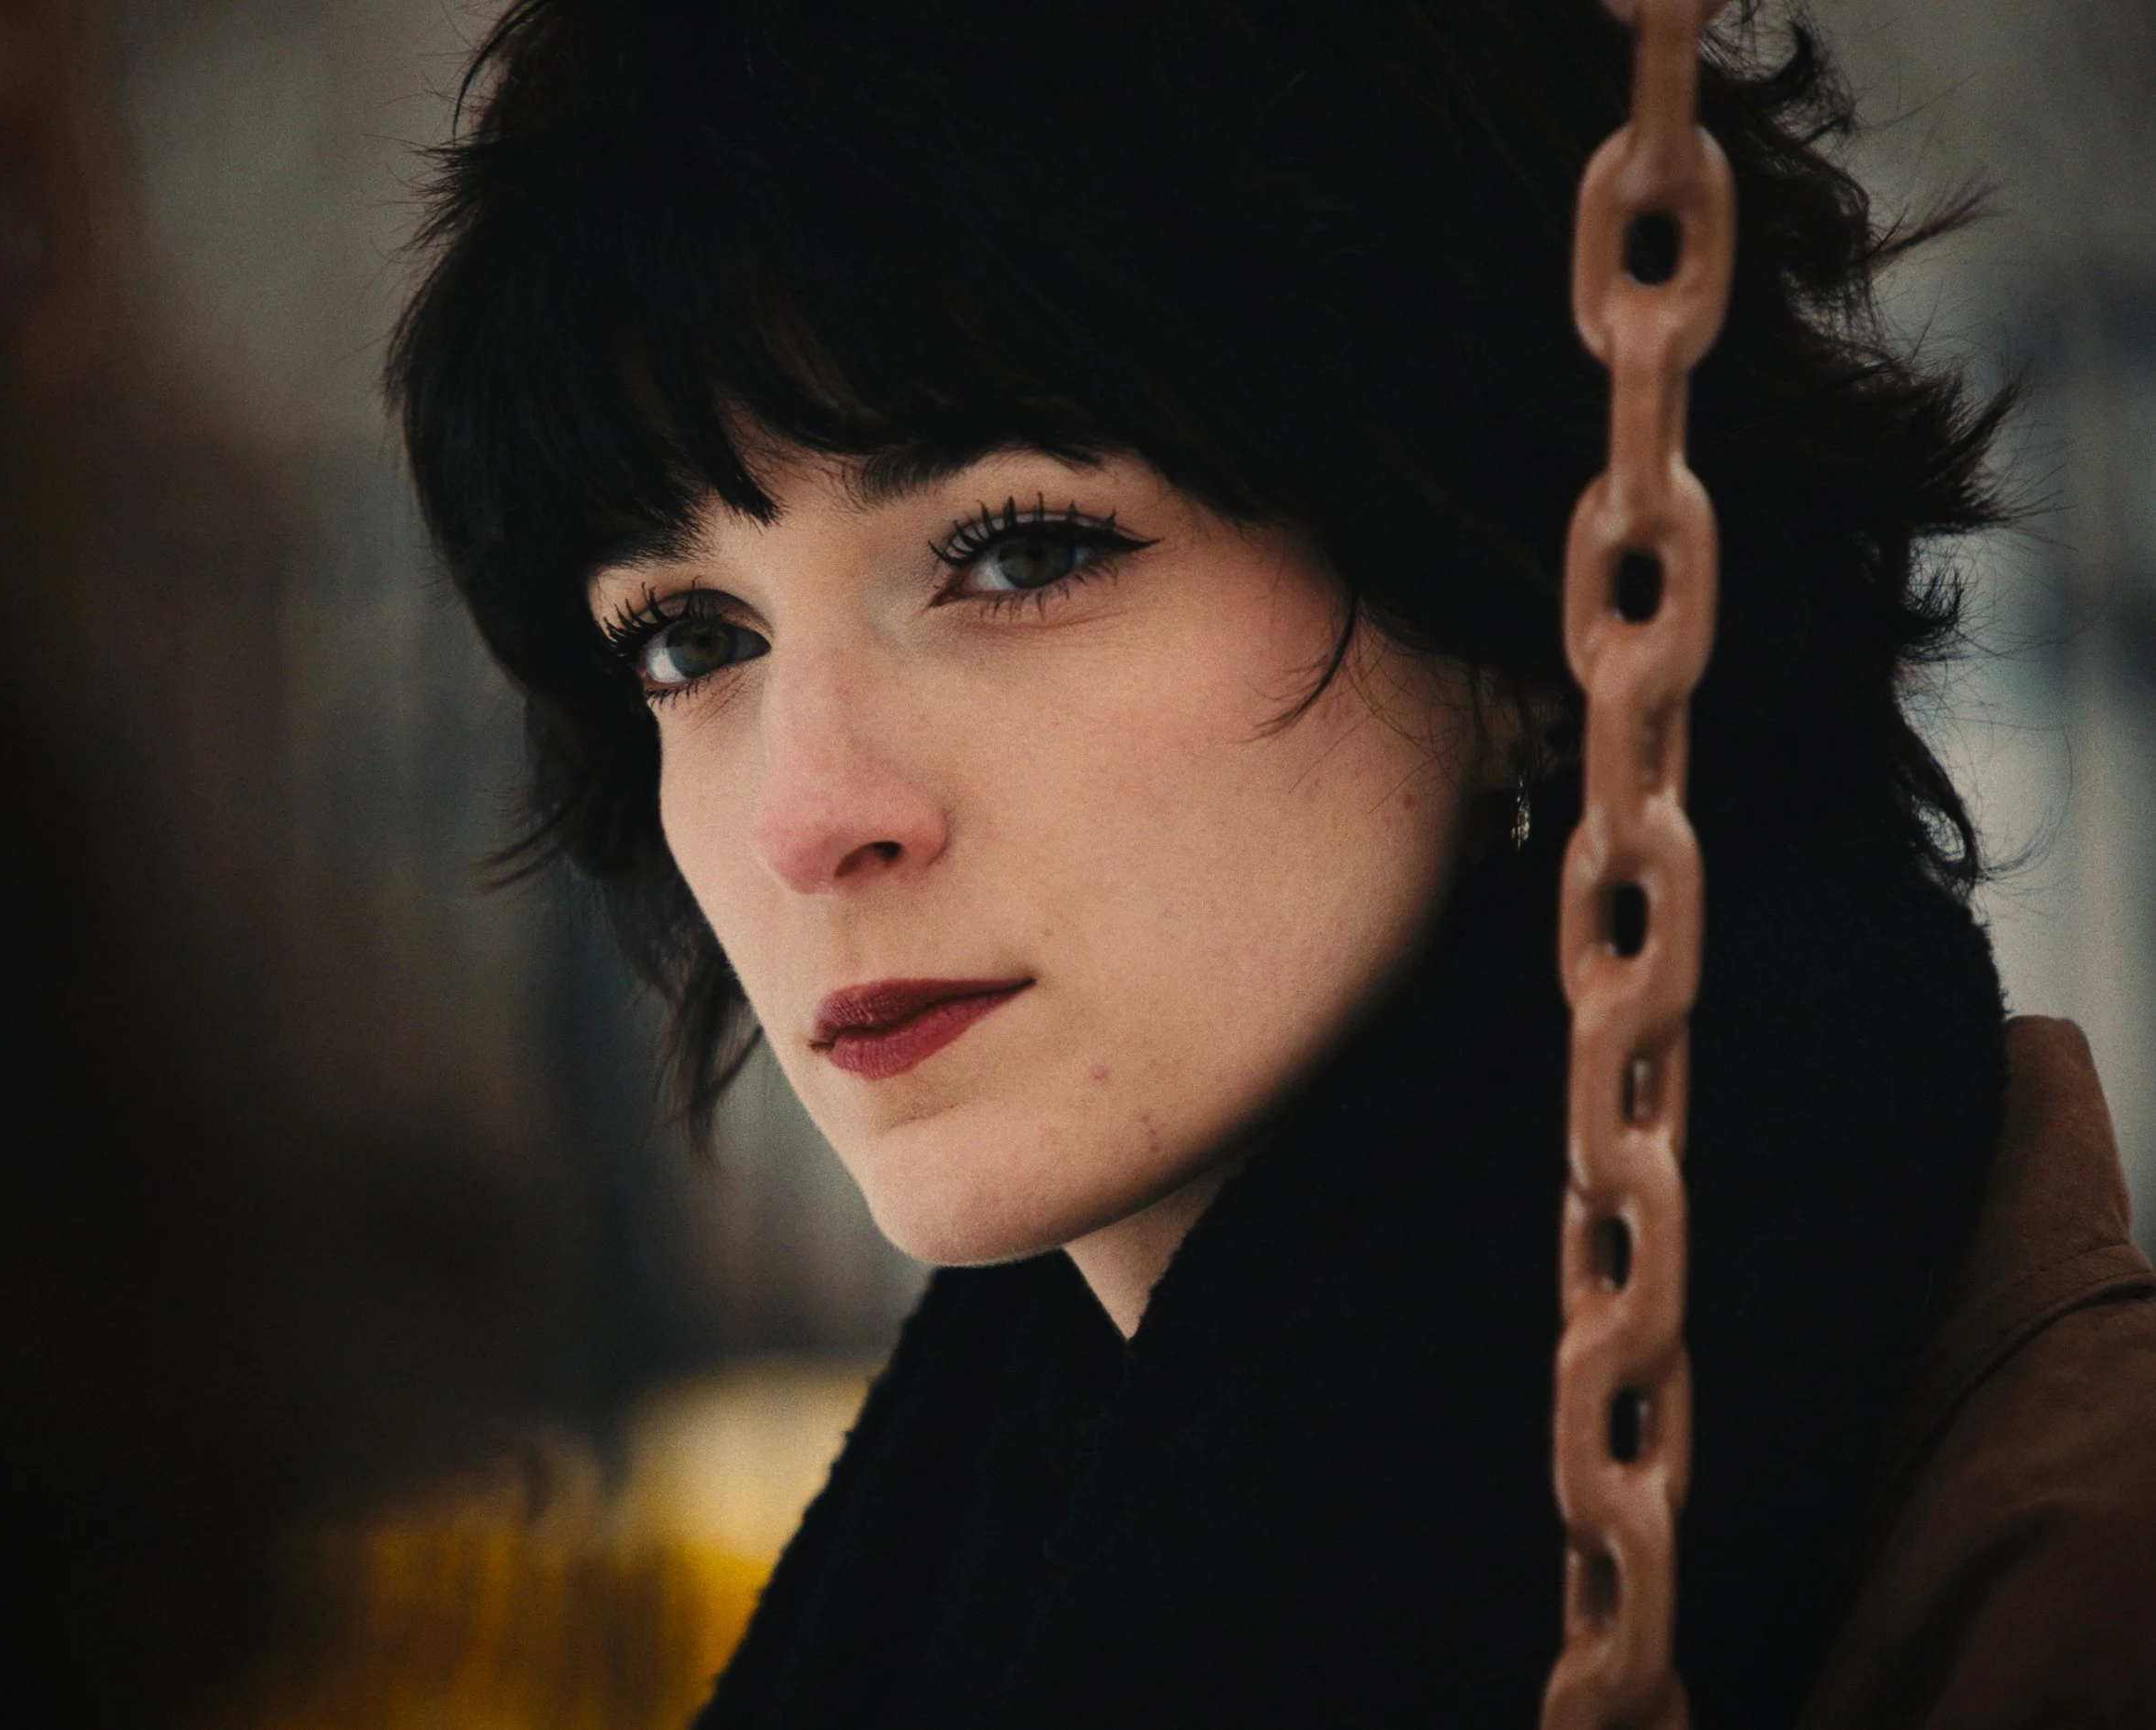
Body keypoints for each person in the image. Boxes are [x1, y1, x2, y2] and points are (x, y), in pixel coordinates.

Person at [389, 1, 2156, 1724]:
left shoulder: (2059, 1583)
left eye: (1020, 553)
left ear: (1532, 612)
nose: (804, 817)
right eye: (693, 640)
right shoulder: (992, 1534)